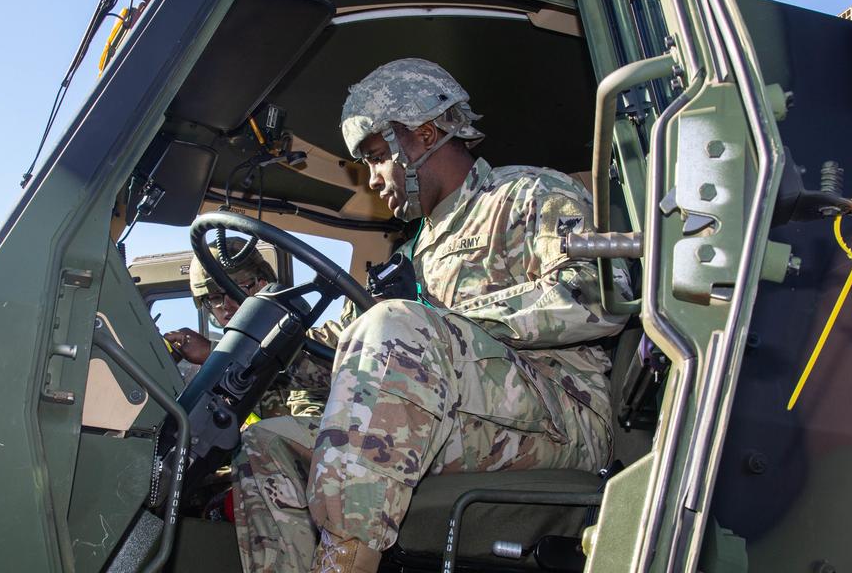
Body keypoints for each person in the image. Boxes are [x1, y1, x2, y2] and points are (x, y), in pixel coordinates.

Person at [231, 58, 632, 573]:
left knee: (396, 326)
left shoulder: (527, 195)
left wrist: (440, 322)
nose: (374, 180)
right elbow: (365, 346)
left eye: (376, 158)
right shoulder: (413, 252)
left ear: (422, 135)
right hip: (447, 413)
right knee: (267, 441)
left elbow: (599, 296)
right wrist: (272, 352)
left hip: (564, 414)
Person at [164, 238, 332, 418]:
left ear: (262, 286)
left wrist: (217, 353)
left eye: (235, 289)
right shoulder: (210, 374)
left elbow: (332, 374)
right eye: (214, 298)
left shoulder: (318, 343)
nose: (226, 305)